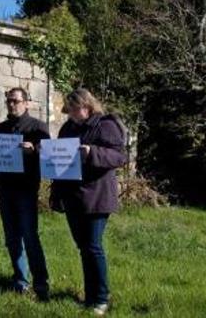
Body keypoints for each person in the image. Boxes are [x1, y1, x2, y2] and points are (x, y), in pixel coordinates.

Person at [51, 88, 127, 316]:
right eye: (69, 110)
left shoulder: (106, 124)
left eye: (75, 109)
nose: (71, 113)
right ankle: (90, 296)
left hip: (97, 196)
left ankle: (101, 298)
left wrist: (92, 152)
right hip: (72, 196)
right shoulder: (67, 128)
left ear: (87, 105)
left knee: (93, 246)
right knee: (83, 248)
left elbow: (119, 156)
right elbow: (58, 160)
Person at [0, 87, 50, 300]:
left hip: (26, 189)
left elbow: (49, 156)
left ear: (26, 103)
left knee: (30, 236)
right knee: (11, 238)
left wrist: (34, 149)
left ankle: (41, 283)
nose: (12, 104)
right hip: (4, 188)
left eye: (15, 101)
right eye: (8, 101)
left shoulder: (37, 127)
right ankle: (20, 280)